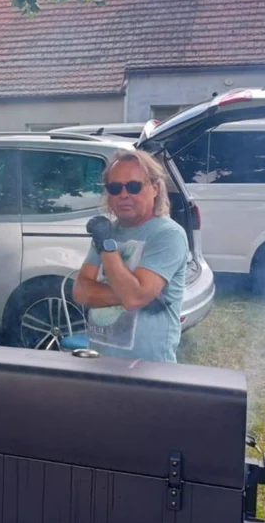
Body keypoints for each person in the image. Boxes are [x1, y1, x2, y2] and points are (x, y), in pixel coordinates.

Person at [72, 148, 189, 363]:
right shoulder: (109, 231)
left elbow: (134, 298)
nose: (123, 194)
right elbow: (80, 292)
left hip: (148, 371)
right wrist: (132, 295)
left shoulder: (168, 235)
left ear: (154, 188)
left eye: (134, 186)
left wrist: (106, 247)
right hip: (99, 362)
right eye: (115, 188)